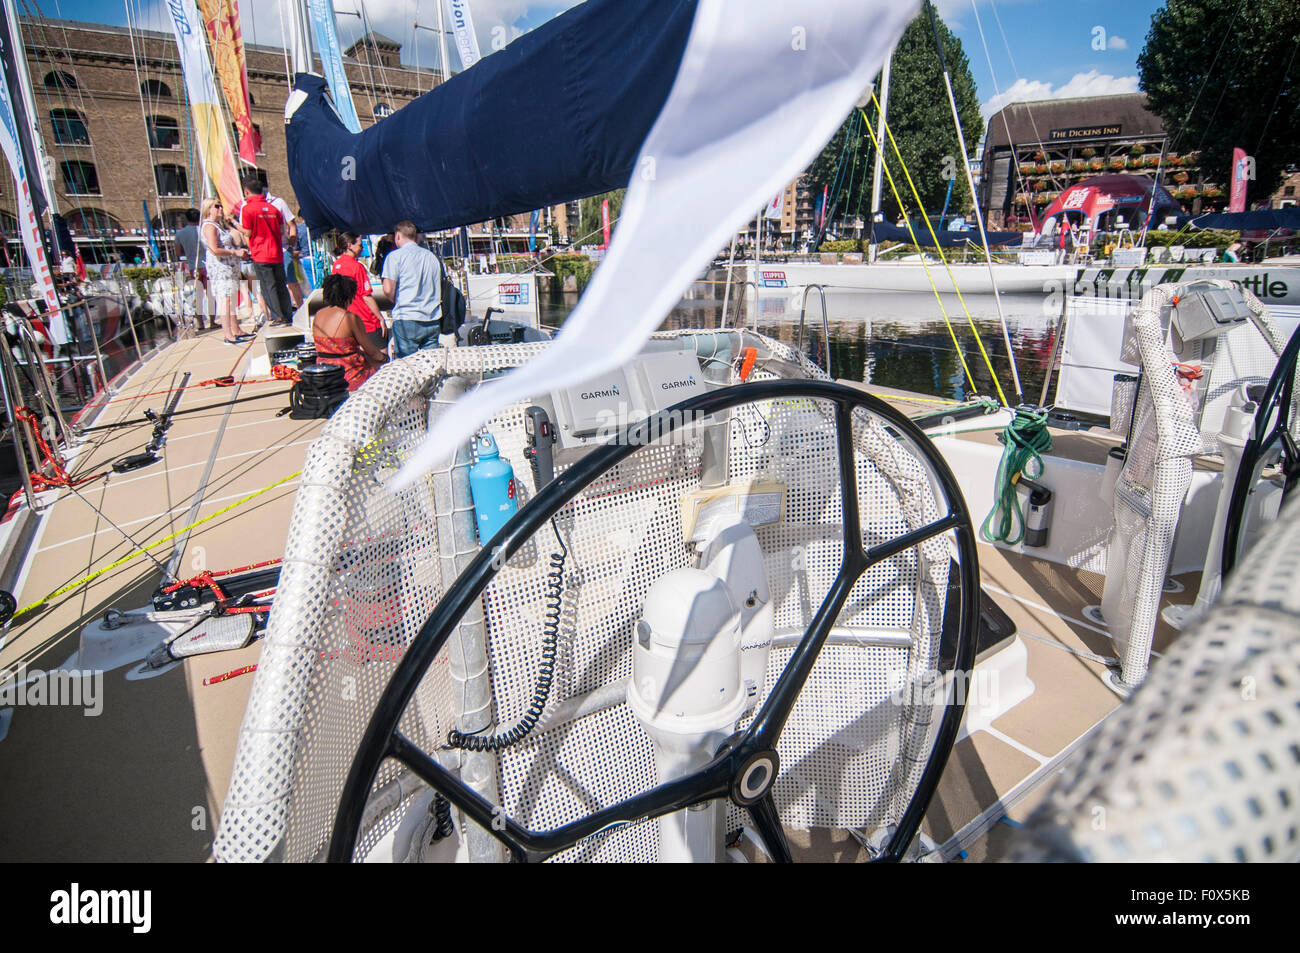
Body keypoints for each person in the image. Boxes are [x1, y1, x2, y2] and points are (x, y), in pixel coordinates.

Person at [313, 273, 387, 391]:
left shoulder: (318, 314)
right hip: (348, 374)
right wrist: (385, 358)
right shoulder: (350, 318)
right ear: (349, 295)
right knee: (382, 371)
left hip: (324, 373)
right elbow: (372, 352)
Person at [381, 221, 444, 358]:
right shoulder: (432, 257)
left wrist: (396, 299)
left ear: (398, 236)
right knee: (431, 365)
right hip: (432, 317)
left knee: (407, 366)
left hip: (407, 317)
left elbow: (387, 289)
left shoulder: (394, 257)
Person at [238, 173, 294, 326]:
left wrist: (233, 224)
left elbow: (247, 233)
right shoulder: (273, 209)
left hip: (261, 253)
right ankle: (287, 314)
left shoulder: (248, 209)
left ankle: (278, 316)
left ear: (246, 192)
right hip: (276, 252)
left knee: (268, 286)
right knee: (281, 284)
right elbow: (282, 230)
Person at [201, 197, 252, 345]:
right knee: (225, 300)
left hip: (229, 268)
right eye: (216, 206)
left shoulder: (218, 226)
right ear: (208, 208)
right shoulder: (210, 227)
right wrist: (235, 253)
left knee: (230, 299)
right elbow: (215, 249)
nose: (220, 209)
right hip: (221, 269)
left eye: (220, 206)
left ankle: (236, 330)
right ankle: (228, 335)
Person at [331, 231, 385, 350]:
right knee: (382, 358)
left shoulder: (336, 266)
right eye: (360, 245)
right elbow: (366, 296)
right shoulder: (357, 267)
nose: (362, 248)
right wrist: (381, 318)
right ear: (350, 245)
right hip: (366, 320)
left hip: (349, 321)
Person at [173, 208, 209, 329]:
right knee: (211, 293)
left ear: (186, 218)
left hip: (193, 265)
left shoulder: (180, 233)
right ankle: (213, 321)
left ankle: (200, 322)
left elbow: (178, 252)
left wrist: (188, 251)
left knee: (198, 295)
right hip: (207, 264)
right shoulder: (204, 229)